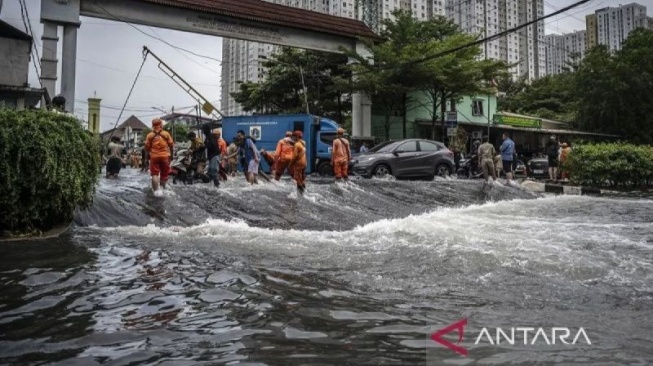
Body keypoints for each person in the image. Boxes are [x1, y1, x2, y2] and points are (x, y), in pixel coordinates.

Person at [145, 118, 175, 193]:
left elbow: (147, 148)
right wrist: (172, 155)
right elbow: (171, 145)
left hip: (154, 157)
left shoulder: (149, 135)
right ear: (161, 125)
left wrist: (146, 158)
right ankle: (164, 190)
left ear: (152, 125)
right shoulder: (166, 134)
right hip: (165, 157)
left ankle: (157, 192)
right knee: (164, 175)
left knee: (154, 174)